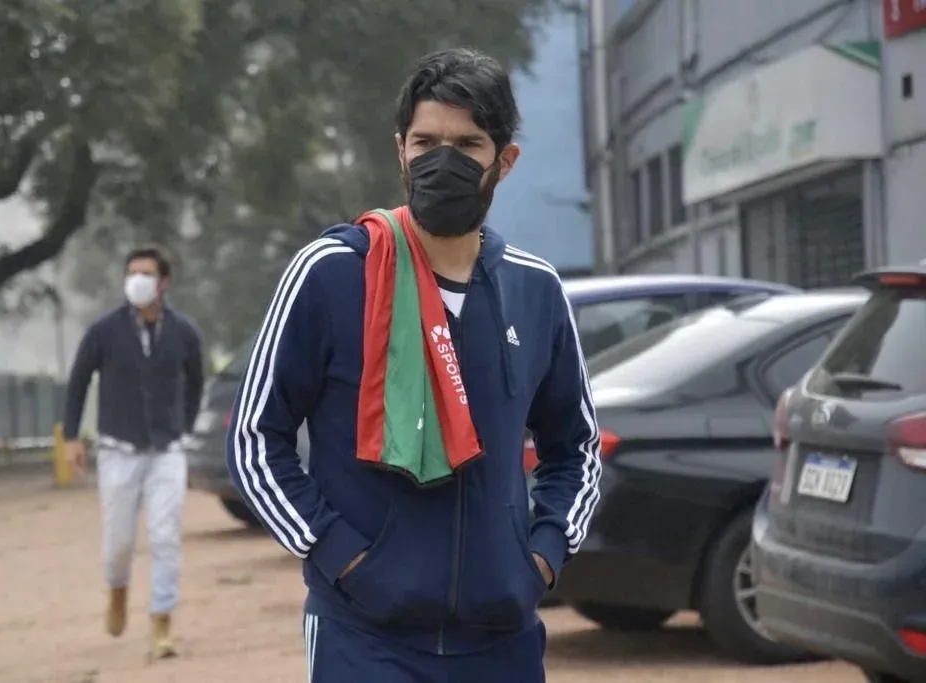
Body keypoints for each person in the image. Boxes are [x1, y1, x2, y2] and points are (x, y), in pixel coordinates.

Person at [227, 48, 602, 682]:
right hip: (365, 637)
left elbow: (577, 446)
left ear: (505, 160)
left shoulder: (534, 289)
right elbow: (254, 440)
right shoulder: (333, 273)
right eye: (426, 142)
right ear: (400, 150)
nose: (442, 161)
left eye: (468, 145)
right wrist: (342, 557)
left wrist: (539, 556)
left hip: (502, 640)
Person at [64, 244, 204, 659]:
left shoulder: (184, 332)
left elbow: (195, 384)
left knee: (165, 536)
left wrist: (185, 428)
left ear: (164, 282)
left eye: (145, 273)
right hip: (118, 450)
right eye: (131, 273)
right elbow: (78, 381)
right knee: (119, 541)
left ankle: (162, 622)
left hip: (167, 450)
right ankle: (118, 589)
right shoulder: (104, 331)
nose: (137, 281)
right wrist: (71, 437)